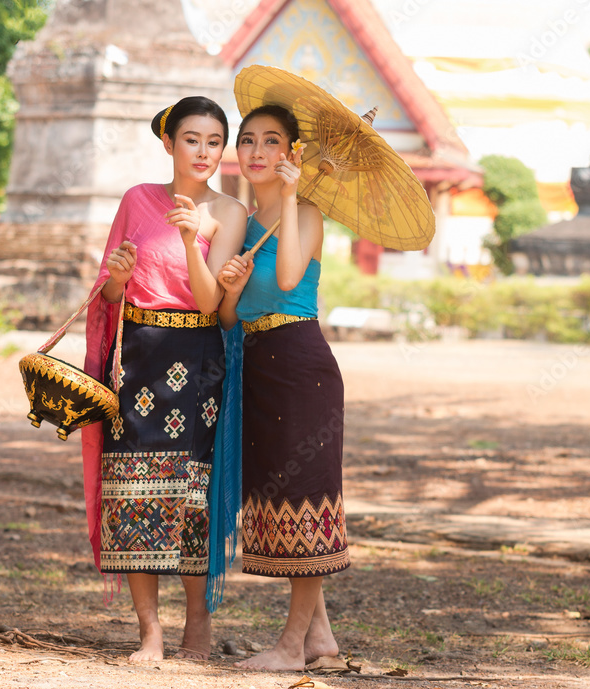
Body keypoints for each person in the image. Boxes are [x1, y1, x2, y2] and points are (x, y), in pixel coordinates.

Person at [80, 96, 247, 662]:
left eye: (214, 142)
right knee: (130, 491)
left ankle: (196, 621)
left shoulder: (230, 212)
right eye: (192, 139)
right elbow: (106, 291)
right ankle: (149, 631)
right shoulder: (136, 200)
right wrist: (118, 279)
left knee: (190, 495)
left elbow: (208, 302)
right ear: (169, 143)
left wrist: (188, 239)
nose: (203, 152)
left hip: (197, 360)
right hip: (138, 359)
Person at [218, 104, 350, 671]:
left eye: (272, 141)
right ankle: (319, 635)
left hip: (301, 366)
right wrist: (230, 285)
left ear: (292, 154)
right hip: (256, 365)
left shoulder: (310, 214)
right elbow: (226, 318)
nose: (257, 151)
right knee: (276, 500)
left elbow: (292, 278)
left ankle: (291, 647)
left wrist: (292, 200)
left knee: (305, 501)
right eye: (247, 140)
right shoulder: (242, 226)